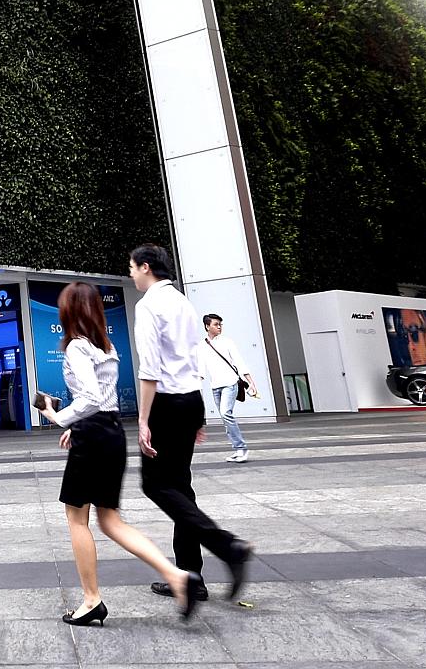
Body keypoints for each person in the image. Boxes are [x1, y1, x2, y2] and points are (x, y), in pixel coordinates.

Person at [38, 283, 198, 625]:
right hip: (110, 433)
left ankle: (92, 599)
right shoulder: (106, 348)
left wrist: (57, 416)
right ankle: (175, 575)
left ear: (70, 312)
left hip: (93, 437)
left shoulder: (77, 349)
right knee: (109, 520)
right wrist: (75, 426)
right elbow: (102, 401)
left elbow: (91, 398)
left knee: (76, 518)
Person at [130, 244, 254, 604]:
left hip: (166, 404)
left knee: (155, 485)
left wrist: (142, 420)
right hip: (189, 401)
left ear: (147, 267)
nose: (132, 274)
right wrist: (198, 414)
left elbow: (150, 368)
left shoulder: (149, 305)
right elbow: (193, 361)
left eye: (133, 268)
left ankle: (227, 546)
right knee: (180, 488)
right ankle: (191, 577)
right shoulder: (184, 303)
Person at [200, 314, 259, 463]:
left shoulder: (227, 342)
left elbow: (239, 362)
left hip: (230, 383)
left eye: (220, 324)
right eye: (216, 324)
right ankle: (237, 448)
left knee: (226, 413)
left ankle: (241, 448)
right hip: (215, 387)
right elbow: (200, 369)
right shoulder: (202, 345)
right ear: (207, 326)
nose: (219, 327)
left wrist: (251, 382)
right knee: (225, 417)